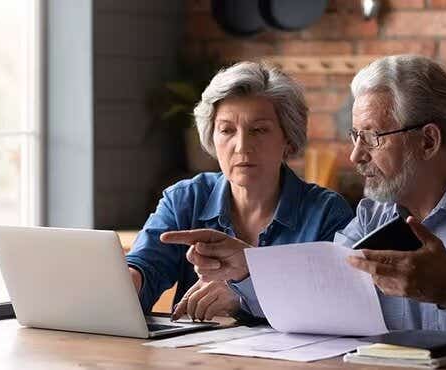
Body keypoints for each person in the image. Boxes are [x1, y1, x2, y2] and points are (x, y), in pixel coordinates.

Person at [166, 55, 446, 344]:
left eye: (372, 138)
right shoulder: (371, 216)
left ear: (428, 140)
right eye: (354, 137)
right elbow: (320, 297)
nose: (356, 156)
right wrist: (248, 270)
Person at [126, 61, 353, 322]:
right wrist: (128, 283)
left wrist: (245, 296)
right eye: (227, 130)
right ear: (212, 137)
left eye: (259, 130)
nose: (242, 146)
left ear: (288, 139)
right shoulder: (185, 199)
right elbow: (145, 267)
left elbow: (336, 306)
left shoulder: (327, 213)